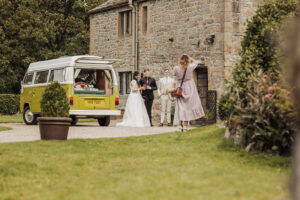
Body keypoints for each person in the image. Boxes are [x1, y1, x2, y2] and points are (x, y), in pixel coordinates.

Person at [173, 54, 205, 132]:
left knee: (181, 107)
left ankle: (180, 125)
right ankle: (186, 126)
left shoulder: (176, 68)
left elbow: (174, 74)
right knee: (187, 107)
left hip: (180, 88)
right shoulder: (190, 67)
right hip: (190, 87)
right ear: (188, 60)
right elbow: (196, 62)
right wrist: (191, 59)